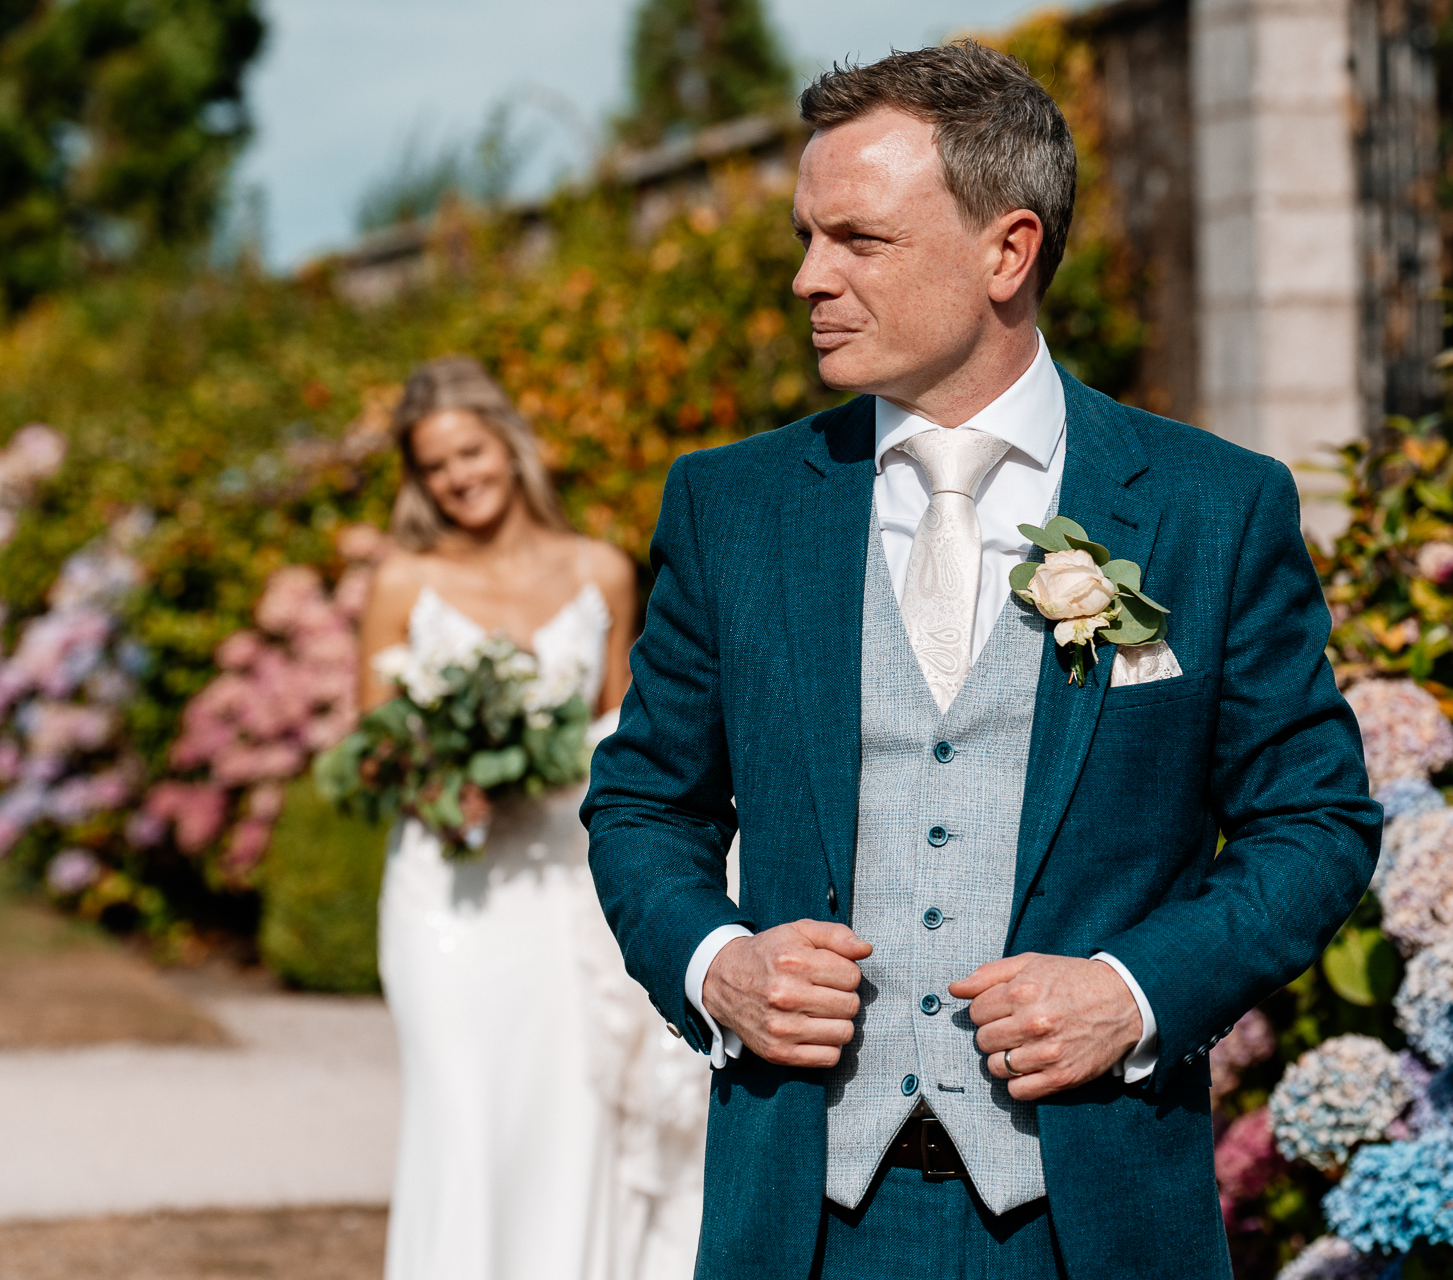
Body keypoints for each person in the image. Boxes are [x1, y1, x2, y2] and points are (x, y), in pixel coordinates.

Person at [583, 42, 1381, 1280]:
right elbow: (642, 801)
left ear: (1007, 250)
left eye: (859, 240)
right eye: (807, 236)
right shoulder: (732, 507)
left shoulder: (1209, 507)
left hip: (1095, 1216)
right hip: (805, 1218)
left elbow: (1316, 820)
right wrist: (716, 963)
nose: (809, 277)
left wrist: (1134, 989)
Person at [361, 355, 709, 1280]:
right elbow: (375, 750)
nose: (456, 477)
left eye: (468, 452)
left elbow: (626, 743)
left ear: (507, 446)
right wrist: (446, 788)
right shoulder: (401, 582)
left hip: (565, 885)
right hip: (449, 892)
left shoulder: (599, 568)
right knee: (463, 1115)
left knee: (570, 1112)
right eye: (434, 466)